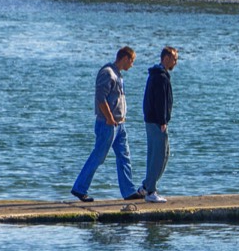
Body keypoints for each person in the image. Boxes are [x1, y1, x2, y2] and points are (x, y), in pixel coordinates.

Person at [71, 46, 144, 202]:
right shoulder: (107, 73)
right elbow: (101, 98)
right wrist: (110, 118)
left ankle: (129, 191)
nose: (132, 65)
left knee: (124, 157)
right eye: (132, 61)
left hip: (120, 125)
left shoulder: (118, 74)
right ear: (125, 58)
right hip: (108, 124)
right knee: (98, 156)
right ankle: (79, 188)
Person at [141, 46, 178, 203]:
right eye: (174, 58)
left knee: (154, 154)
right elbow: (160, 102)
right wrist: (162, 121)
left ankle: (145, 187)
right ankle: (150, 191)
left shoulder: (155, 75)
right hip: (157, 122)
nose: (176, 62)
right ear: (166, 58)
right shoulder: (161, 77)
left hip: (151, 120)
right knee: (160, 155)